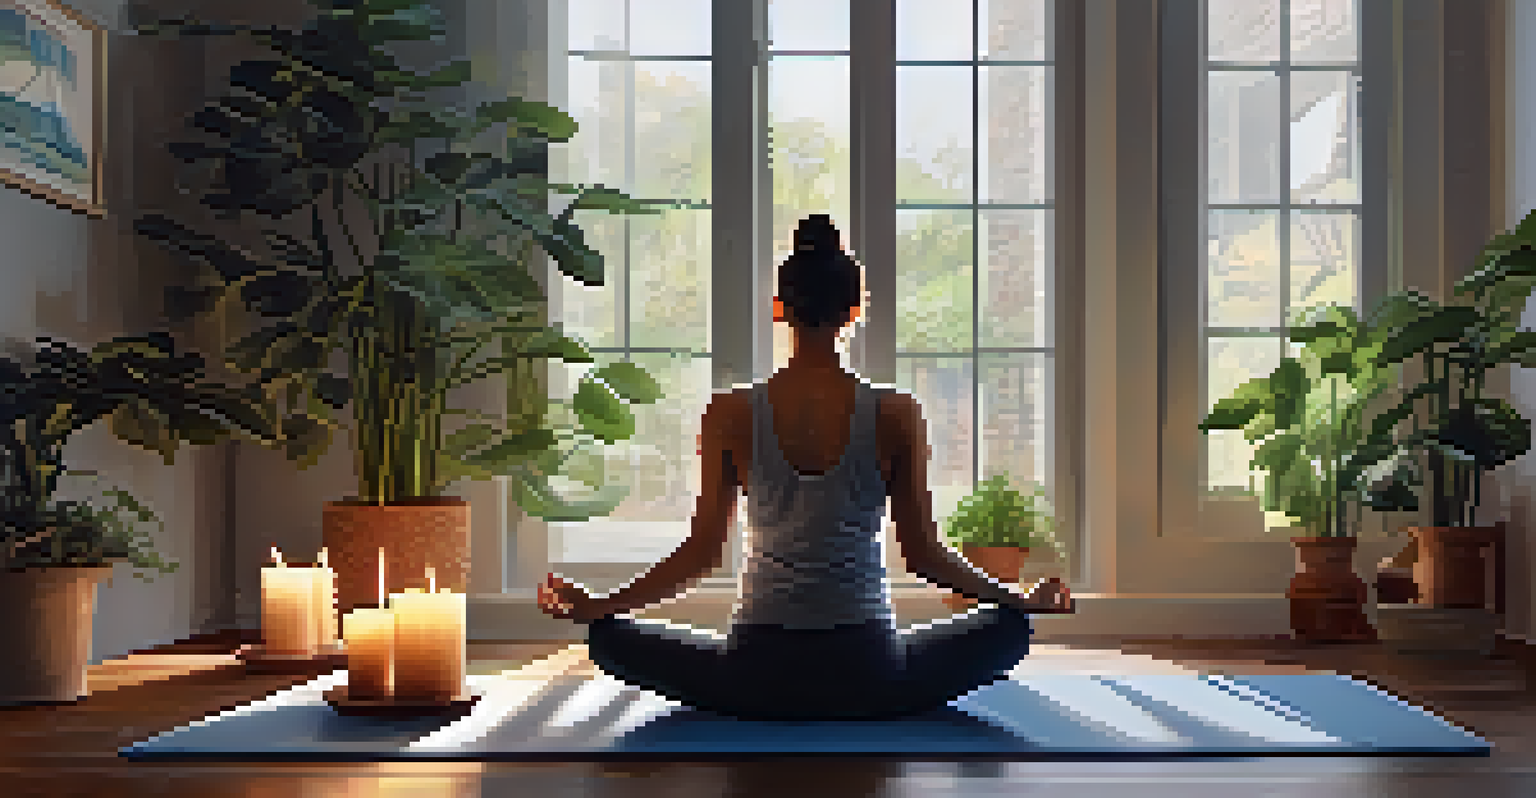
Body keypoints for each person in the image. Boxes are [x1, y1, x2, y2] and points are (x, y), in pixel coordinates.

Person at [537, 214, 1074, 722]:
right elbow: (924, 556)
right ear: (856, 309)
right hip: (870, 677)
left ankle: (630, 635)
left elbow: (701, 554)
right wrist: (1019, 598)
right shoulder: (897, 413)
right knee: (1009, 630)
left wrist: (603, 605)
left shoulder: (728, 413)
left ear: (779, 308)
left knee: (608, 638)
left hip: (755, 677)